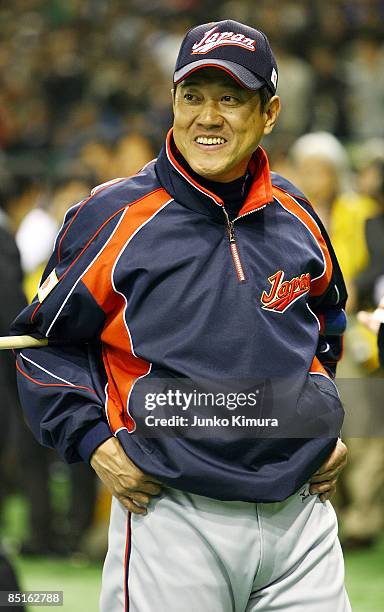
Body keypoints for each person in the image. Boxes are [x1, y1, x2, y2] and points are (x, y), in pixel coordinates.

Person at [12, 20, 350, 611]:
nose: (207, 117)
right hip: (172, 512)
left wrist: (323, 419)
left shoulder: (299, 217)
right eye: (192, 97)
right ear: (172, 103)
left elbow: (326, 331)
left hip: (303, 519)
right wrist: (93, 442)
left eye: (230, 98)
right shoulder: (112, 216)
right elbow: (40, 346)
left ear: (269, 112)